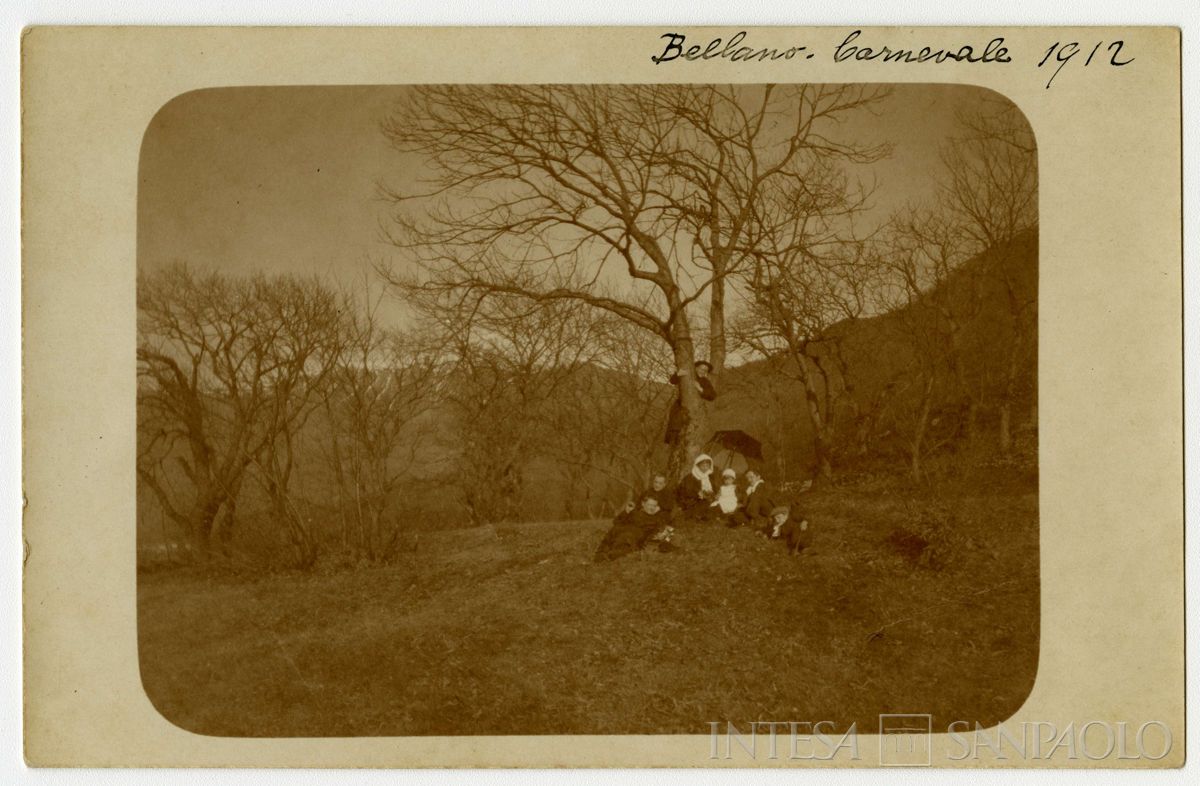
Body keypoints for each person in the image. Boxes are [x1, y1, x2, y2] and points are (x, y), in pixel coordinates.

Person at [593, 493, 670, 562]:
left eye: (654, 505)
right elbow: (616, 522)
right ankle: (601, 553)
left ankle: (609, 556)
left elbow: (663, 530)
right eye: (650, 505)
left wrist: (657, 515)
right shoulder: (635, 512)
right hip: (622, 534)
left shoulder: (657, 517)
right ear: (643, 504)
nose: (652, 508)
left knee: (627, 536)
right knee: (615, 529)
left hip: (635, 538)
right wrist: (626, 512)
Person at [663, 360, 717, 446]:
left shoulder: (705, 381)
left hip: (695, 408)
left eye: (705, 370)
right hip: (680, 405)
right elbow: (672, 381)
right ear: (696, 368)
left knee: (691, 431)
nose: (702, 371)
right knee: (675, 428)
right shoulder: (688, 375)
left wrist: (700, 389)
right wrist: (678, 374)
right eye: (701, 369)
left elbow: (713, 396)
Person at [675, 453, 716, 523]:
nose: (705, 467)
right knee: (699, 506)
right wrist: (698, 493)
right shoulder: (691, 476)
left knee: (712, 505)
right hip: (691, 498)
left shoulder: (709, 476)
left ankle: (702, 515)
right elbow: (686, 490)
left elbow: (713, 488)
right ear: (698, 465)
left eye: (707, 465)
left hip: (705, 497)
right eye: (703, 465)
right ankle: (696, 515)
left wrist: (710, 493)